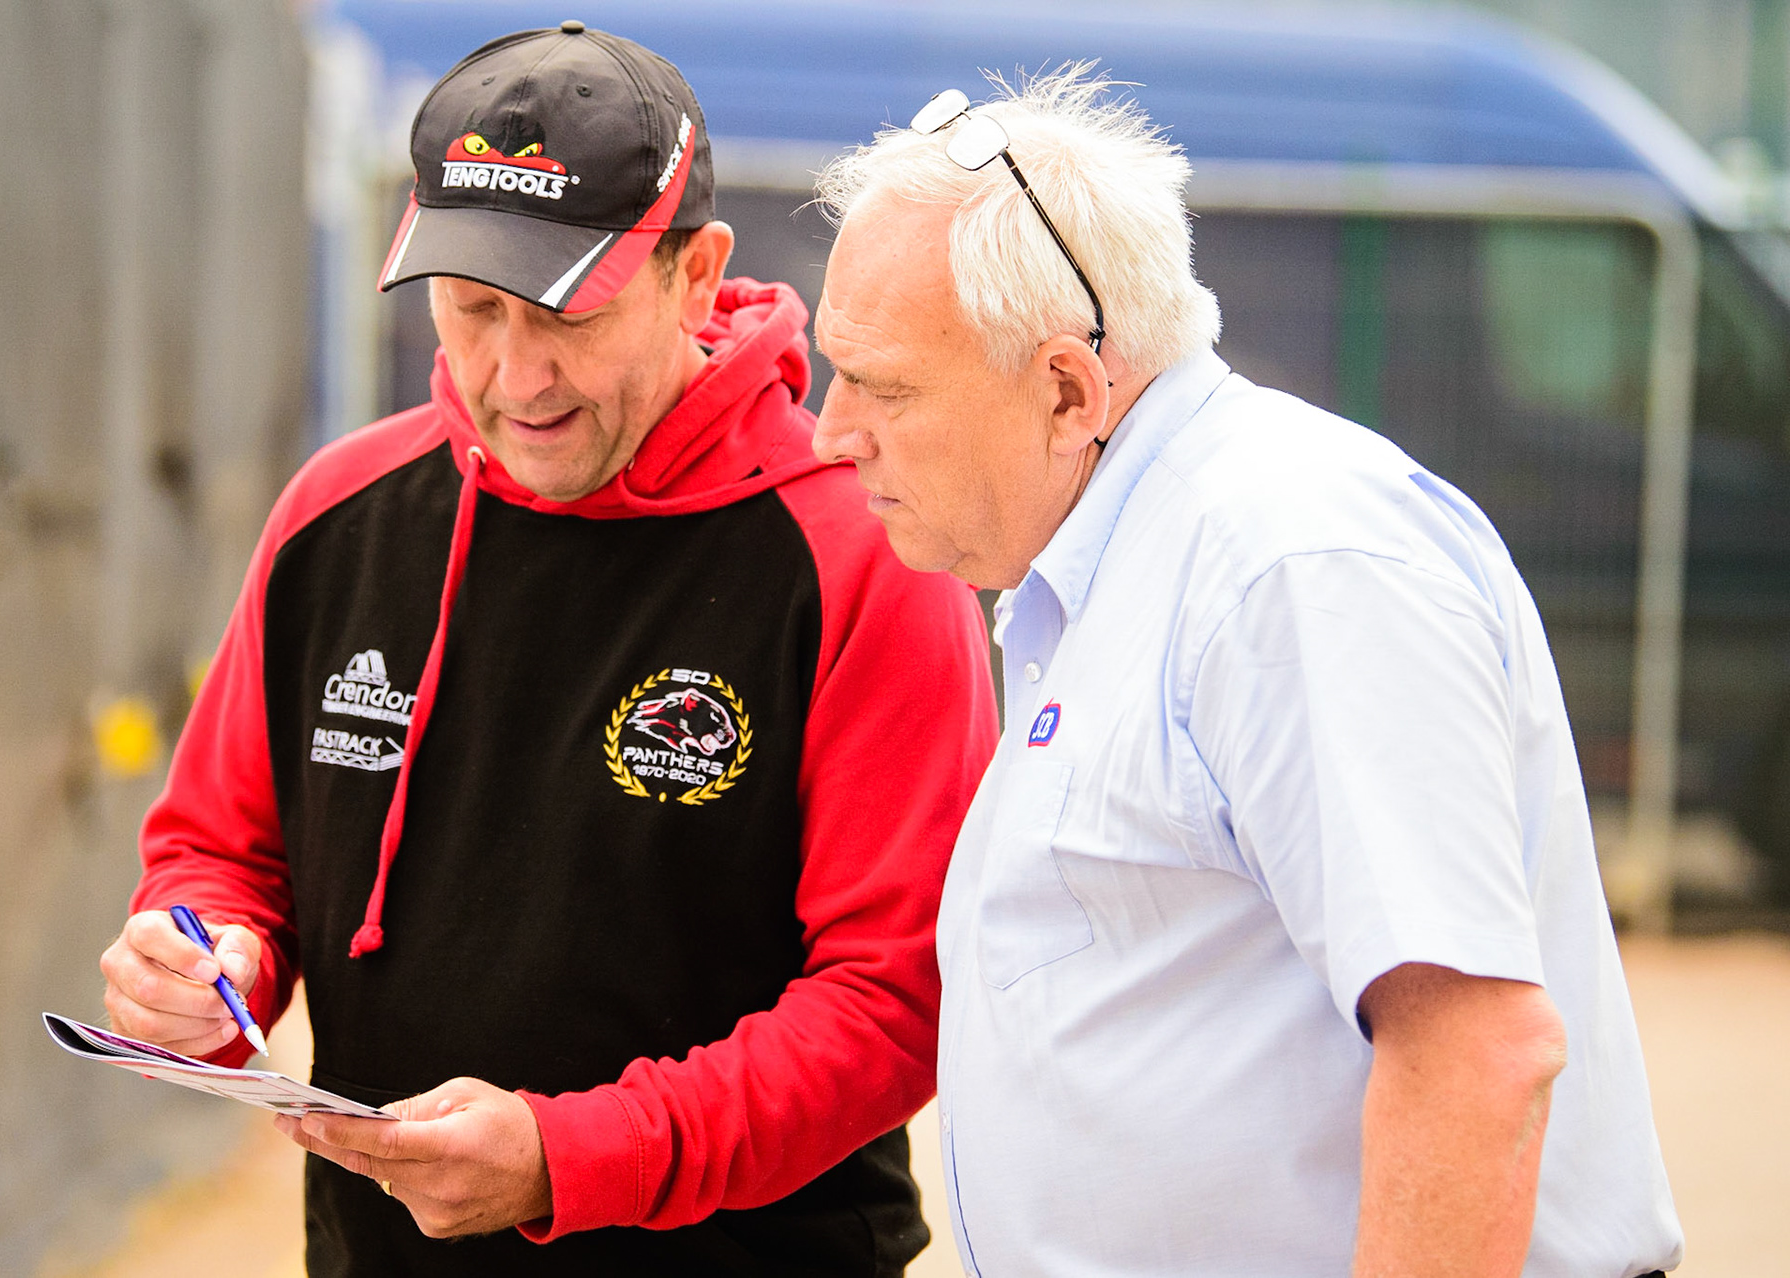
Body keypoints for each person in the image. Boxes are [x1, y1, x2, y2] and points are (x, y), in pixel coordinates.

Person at [98, 25, 998, 1276]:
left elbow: (894, 1002)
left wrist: (567, 1160)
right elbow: (219, 850)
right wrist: (208, 959)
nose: (513, 376)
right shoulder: (339, 512)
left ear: (697, 276)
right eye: (471, 310)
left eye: (565, 313)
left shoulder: (864, 550)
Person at [811, 68, 1683, 1276]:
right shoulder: (1140, 555)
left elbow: (1477, 1052)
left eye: (883, 385)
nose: (832, 430)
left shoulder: (1291, 563)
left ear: (1067, 388)